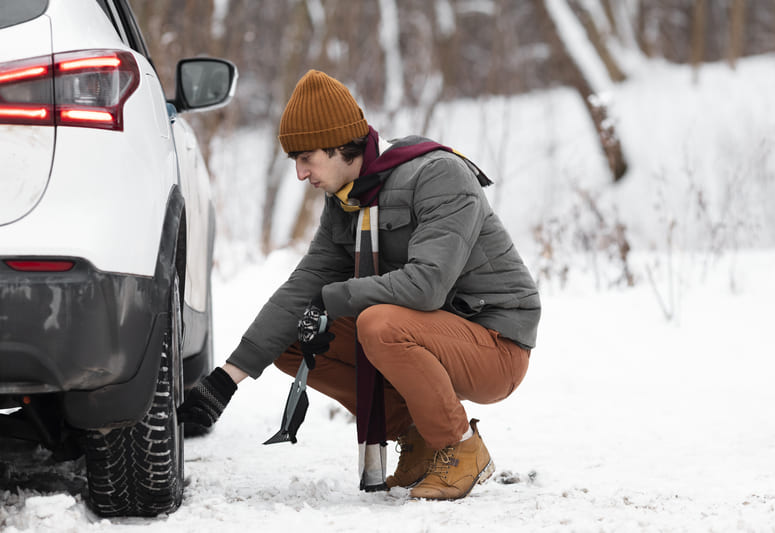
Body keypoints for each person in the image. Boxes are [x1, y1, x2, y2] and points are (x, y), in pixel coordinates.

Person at [178, 69, 541, 501]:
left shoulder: (438, 175)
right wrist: (226, 379)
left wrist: (335, 297)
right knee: (297, 336)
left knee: (378, 324)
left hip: (495, 344)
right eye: (294, 161)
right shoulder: (348, 198)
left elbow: (426, 286)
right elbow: (305, 286)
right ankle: (418, 436)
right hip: (429, 333)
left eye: (306, 157)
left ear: (338, 145)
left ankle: (460, 446)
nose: (300, 173)